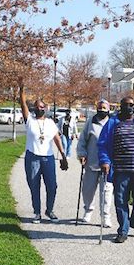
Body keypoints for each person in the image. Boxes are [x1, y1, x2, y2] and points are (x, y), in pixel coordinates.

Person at [98, 96, 134, 243]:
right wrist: (105, 161)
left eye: (132, 105)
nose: (130, 107)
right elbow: (102, 144)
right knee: (121, 200)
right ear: (121, 106)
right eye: (126, 105)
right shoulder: (112, 123)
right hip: (120, 169)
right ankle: (123, 230)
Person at [18, 80, 68, 224]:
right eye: (36, 106)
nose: (39, 108)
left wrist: (63, 155)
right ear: (34, 108)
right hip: (32, 157)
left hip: (48, 158)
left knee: (52, 185)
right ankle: (37, 212)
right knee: (34, 185)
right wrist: (21, 90)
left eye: (41, 107)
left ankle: (49, 210)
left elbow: (57, 138)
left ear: (45, 108)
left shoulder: (51, 123)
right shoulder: (30, 121)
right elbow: (23, 105)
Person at [76, 99, 113, 226]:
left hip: (107, 165)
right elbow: (82, 140)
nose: (101, 110)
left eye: (104, 108)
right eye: (99, 107)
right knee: (87, 190)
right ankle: (88, 210)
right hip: (91, 162)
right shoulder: (90, 122)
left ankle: (105, 216)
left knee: (106, 192)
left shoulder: (112, 123)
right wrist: (81, 154)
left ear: (108, 109)